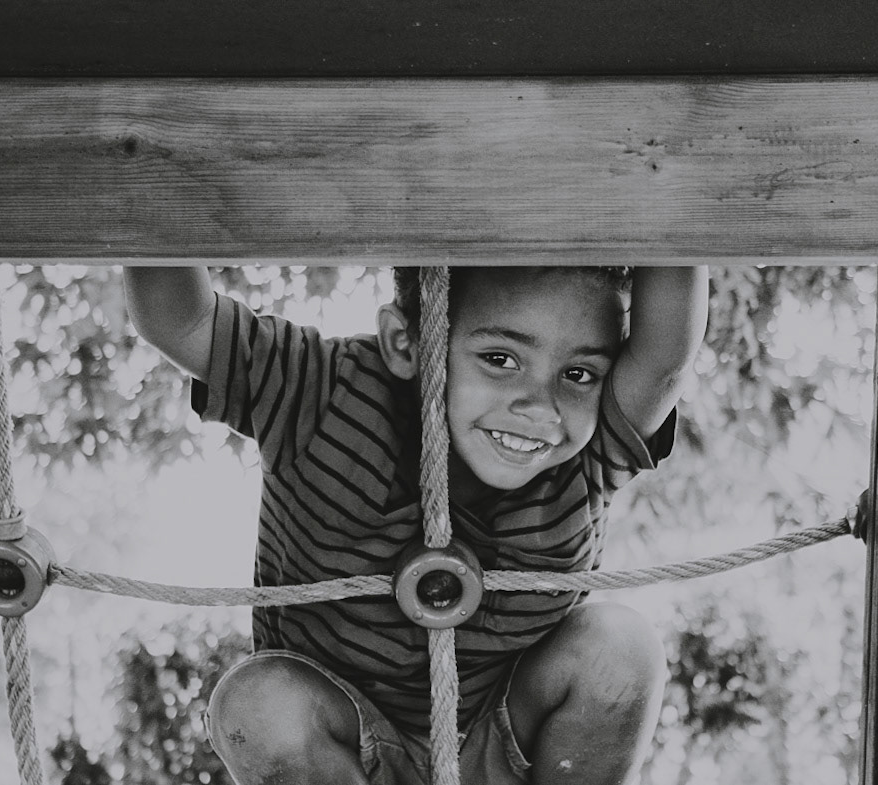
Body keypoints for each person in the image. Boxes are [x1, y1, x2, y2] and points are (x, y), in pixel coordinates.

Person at [123, 265, 708, 785]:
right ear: (406, 342)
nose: (542, 406)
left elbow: (663, 358)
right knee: (257, 703)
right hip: (345, 751)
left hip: (505, 748)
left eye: (578, 373)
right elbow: (181, 321)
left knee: (620, 646)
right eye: (501, 360)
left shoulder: (589, 449)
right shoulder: (319, 390)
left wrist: (665, 170)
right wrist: (143, 162)